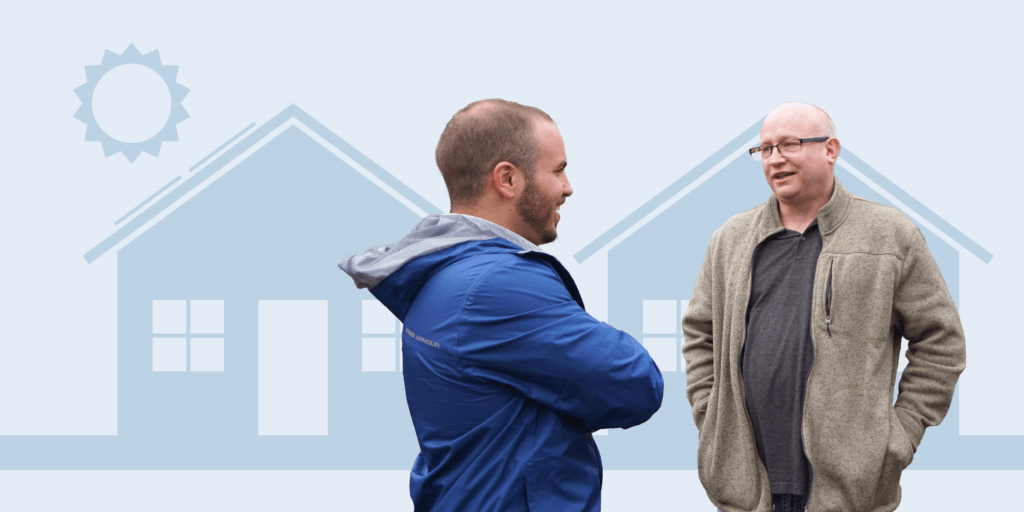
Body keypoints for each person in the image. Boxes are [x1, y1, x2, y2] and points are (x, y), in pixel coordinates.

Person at [339, 99, 664, 511]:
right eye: (558, 170)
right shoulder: (500, 286)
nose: (568, 188)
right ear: (507, 179)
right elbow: (637, 385)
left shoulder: (445, 273)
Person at [681, 103, 966, 512]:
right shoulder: (729, 240)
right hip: (746, 490)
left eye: (789, 144)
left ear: (830, 150)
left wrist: (899, 435)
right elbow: (699, 333)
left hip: (852, 493)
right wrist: (712, 418)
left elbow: (942, 341)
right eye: (764, 149)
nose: (774, 158)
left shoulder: (890, 235)